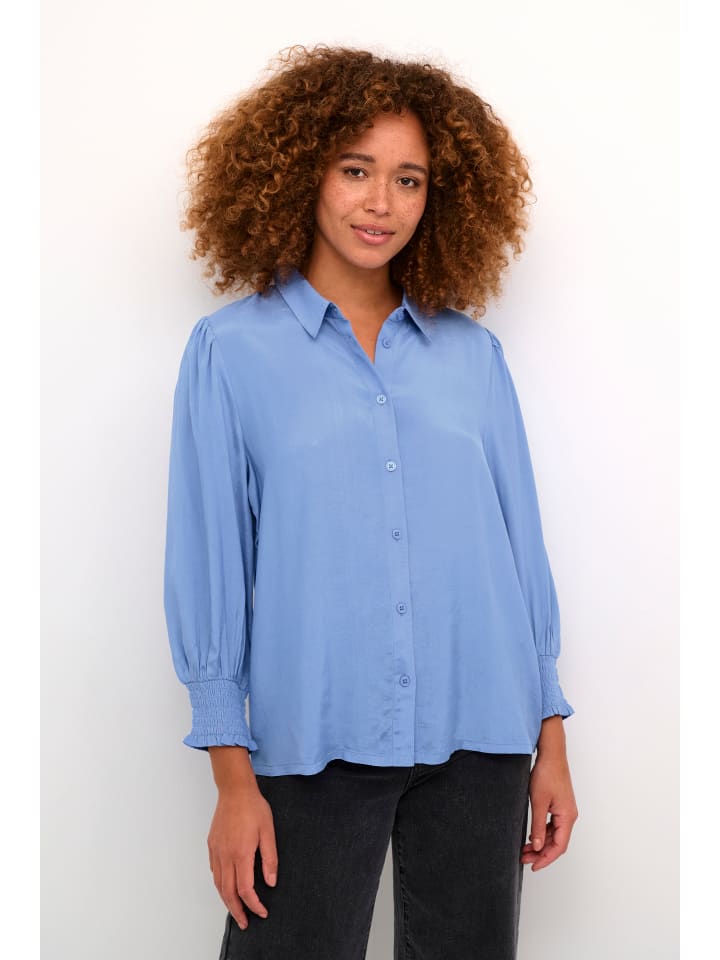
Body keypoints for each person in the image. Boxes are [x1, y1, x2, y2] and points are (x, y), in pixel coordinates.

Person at [163, 43, 578, 960]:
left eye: (409, 179)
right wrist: (232, 780)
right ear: (302, 174)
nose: (381, 202)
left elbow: (519, 554)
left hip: (482, 735)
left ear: (439, 198)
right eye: (356, 170)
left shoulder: (473, 358)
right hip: (314, 737)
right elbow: (211, 561)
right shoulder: (230, 353)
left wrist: (550, 736)